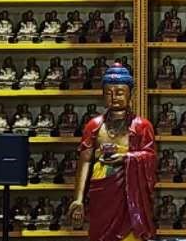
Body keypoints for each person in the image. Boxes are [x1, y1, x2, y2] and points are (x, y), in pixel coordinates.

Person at [70, 62, 157, 241]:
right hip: (102, 191)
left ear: (130, 94)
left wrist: (126, 157)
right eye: (109, 93)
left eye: (119, 92)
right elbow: (84, 161)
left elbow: (150, 157)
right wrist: (78, 199)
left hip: (129, 192)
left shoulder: (141, 126)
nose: (114, 97)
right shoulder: (94, 125)